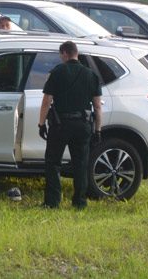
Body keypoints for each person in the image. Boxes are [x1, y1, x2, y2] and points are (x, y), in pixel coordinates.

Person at [38, 41, 102, 209]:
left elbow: (47, 101)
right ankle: (80, 202)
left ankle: (52, 202)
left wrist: (41, 123)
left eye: (61, 55)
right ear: (76, 53)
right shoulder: (91, 75)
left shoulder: (57, 72)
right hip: (83, 125)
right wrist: (98, 130)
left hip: (60, 125)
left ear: (64, 53)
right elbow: (97, 106)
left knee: (53, 162)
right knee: (81, 164)